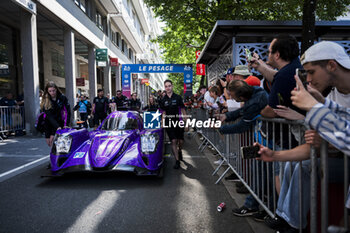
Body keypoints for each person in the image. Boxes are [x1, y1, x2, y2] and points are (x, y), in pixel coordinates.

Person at [256, 41, 350, 232]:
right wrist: (273, 155)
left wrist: (314, 109)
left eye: (311, 72)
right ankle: (288, 219)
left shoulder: (325, 101)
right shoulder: (329, 97)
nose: (308, 79)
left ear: (332, 65)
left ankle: (291, 221)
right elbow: (315, 145)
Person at [159, 79, 187, 169]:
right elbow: (163, 113)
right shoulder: (163, 100)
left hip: (179, 122)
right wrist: (162, 123)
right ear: (165, 87)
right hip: (169, 123)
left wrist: (187, 123)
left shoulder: (178, 98)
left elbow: (183, 111)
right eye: (166, 86)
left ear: (172, 86)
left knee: (180, 141)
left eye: (169, 86)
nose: (168, 88)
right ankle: (177, 161)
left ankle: (179, 151)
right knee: (173, 141)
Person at [40, 81, 71, 147]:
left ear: (56, 89)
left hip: (59, 122)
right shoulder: (46, 99)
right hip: (48, 123)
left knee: (56, 143)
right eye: (50, 91)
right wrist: (56, 126)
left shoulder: (62, 98)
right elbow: (49, 116)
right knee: (49, 143)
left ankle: (58, 156)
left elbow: (68, 111)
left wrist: (66, 124)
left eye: (53, 90)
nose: (52, 93)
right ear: (47, 91)